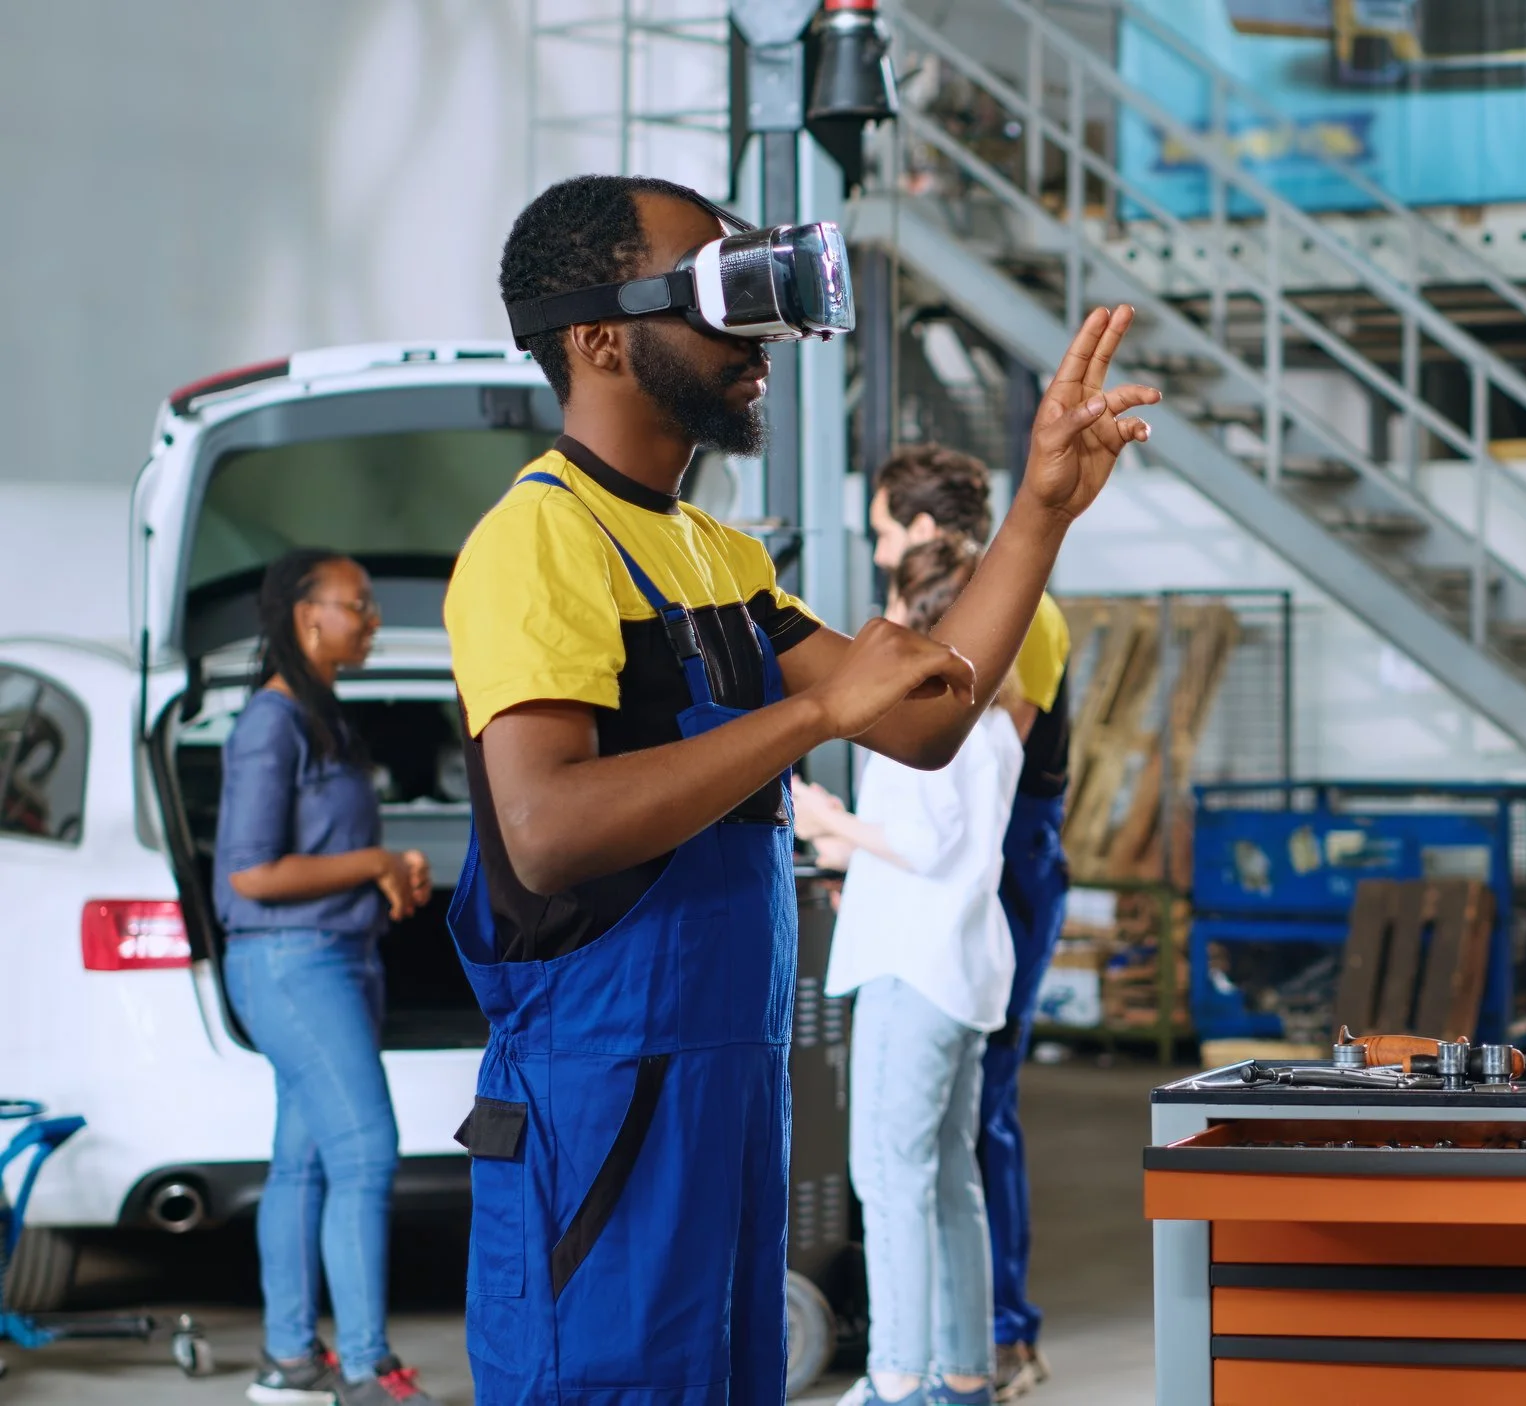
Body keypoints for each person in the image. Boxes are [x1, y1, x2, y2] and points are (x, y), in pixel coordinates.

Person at [443, 172, 1156, 1404]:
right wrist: (814, 712)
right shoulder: (537, 540)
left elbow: (928, 721)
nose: (759, 336)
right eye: (722, 297)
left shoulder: (715, 553)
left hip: (726, 1089)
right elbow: (549, 828)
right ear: (598, 336)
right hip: (600, 1104)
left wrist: (1039, 511)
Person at [214, 549, 439, 1406]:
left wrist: (382, 872)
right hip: (290, 962)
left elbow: (321, 852)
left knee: (303, 1163)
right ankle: (366, 1371)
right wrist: (376, 857)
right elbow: (250, 873)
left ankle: (290, 1366)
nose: (373, 620)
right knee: (365, 1152)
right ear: (309, 616)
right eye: (361, 605)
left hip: (333, 958)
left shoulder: (321, 715)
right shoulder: (271, 724)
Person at [869, 445, 1069, 1400]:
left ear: (924, 536)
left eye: (883, 534)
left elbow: (960, 777)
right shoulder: (1009, 604)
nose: (878, 557)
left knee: (961, 1129)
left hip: (999, 871)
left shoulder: (1008, 616)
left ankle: (969, 1348)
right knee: (958, 1140)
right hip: (989, 875)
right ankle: (970, 1355)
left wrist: (856, 831)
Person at [819, 536, 1022, 1406]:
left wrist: (828, 821)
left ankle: (898, 1377)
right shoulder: (999, 721)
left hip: (913, 972)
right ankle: (964, 1373)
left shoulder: (929, 722)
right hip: (963, 970)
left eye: (898, 601)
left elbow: (926, 842)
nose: (886, 619)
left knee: (888, 1176)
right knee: (948, 1179)